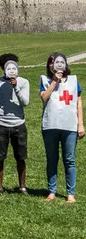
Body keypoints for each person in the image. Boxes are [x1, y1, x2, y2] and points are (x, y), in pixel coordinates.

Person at [40, 53, 84, 203]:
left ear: (65, 64)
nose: (57, 65)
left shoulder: (73, 80)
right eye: (54, 62)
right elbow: (44, 98)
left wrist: (81, 124)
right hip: (50, 125)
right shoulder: (45, 80)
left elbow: (78, 103)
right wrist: (54, 82)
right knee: (52, 159)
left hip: (69, 125)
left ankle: (70, 193)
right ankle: (52, 191)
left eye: (60, 62)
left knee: (69, 159)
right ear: (50, 65)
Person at [0, 54, 30, 194]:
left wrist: (16, 87)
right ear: (2, 68)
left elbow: (25, 102)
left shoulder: (24, 82)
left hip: (19, 123)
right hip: (1, 123)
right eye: (7, 66)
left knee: (20, 156)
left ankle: (22, 186)